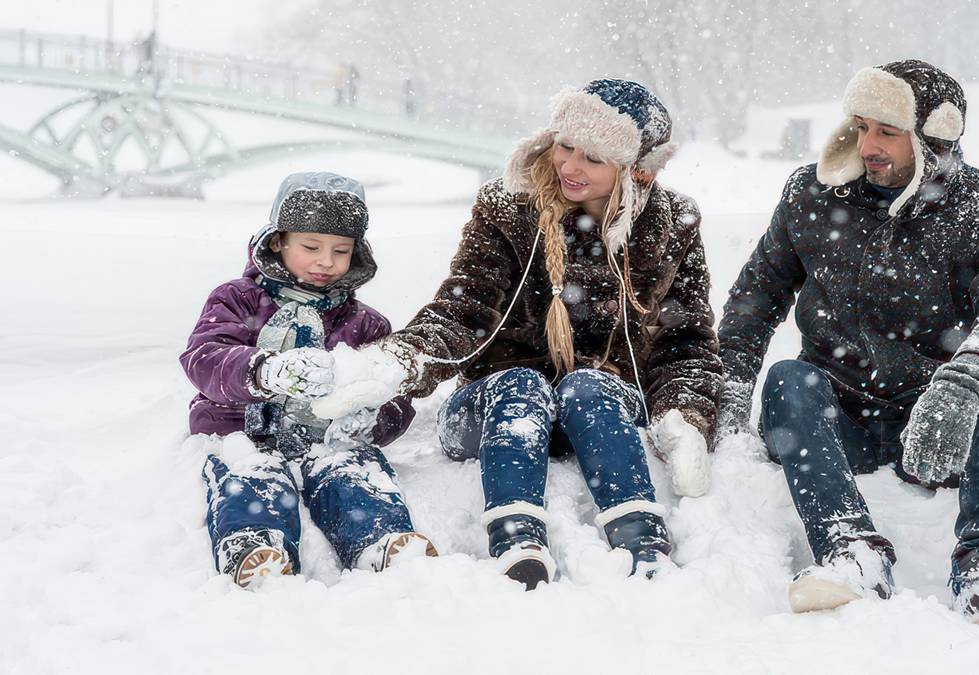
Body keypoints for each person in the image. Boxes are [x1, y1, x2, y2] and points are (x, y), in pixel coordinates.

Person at [717, 60, 979, 624]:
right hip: (838, 418)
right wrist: (731, 388)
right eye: (860, 126)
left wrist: (960, 387)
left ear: (933, 138)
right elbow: (754, 299)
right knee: (789, 380)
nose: (868, 145)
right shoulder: (810, 195)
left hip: (939, 427)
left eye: (888, 131)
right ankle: (851, 552)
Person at [360, 79, 721, 589]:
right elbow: (463, 309)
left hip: (599, 411)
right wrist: (399, 360)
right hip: (494, 409)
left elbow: (686, 341)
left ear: (635, 171)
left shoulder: (671, 225)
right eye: (565, 145)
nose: (569, 166)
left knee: (588, 386)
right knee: (520, 386)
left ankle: (642, 539)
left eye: (593, 158)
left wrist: (687, 416)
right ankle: (517, 537)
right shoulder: (507, 208)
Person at [181, 171, 436, 589]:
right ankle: (253, 543)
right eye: (311, 247)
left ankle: (380, 540)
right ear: (278, 240)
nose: (326, 261)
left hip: (326, 438)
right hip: (238, 429)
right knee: (250, 475)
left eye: (341, 250)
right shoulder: (237, 299)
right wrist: (264, 370)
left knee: (353, 471)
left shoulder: (365, 324)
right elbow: (204, 357)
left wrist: (373, 418)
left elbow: (395, 395)